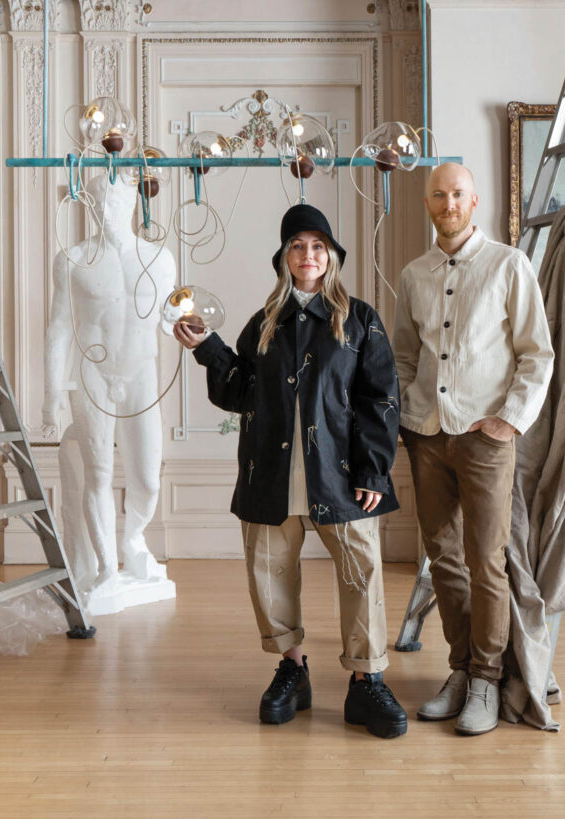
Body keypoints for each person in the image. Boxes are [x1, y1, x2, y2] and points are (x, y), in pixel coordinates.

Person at [174, 203, 407, 739]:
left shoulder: (360, 320)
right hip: (271, 474)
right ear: (283, 258)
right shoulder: (264, 323)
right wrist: (208, 348)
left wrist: (373, 471)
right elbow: (239, 392)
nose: (308, 255)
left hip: (342, 475)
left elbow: (380, 399)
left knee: (361, 572)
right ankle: (293, 670)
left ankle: (366, 682)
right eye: (297, 247)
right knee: (270, 574)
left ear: (332, 256)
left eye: (318, 246)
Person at [393, 162, 554, 736]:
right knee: (443, 558)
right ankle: (460, 670)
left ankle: (487, 678)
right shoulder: (414, 275)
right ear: (428, 202)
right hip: (426, 435)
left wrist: (509, 421)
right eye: (438, 194)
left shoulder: (509, 265)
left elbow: (537, 354)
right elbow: (405, 357)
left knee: (488, 560)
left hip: (486, 436)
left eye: (457, 192)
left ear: (474, 200)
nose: (448, 201)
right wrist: (403, 422)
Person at [42, 172, 174, 612]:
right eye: (98, 202)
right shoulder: (73, 259)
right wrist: (52, 392)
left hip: (141, 376)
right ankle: (104, 566)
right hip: (93, 375)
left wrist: (185, 325)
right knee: (97, 474)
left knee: (147, 478)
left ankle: (134, 540)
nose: (107, 210)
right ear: (88, 206)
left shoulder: (160, 259)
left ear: (134, 203)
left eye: (116, 201)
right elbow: (59, 328)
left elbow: (170, 320)